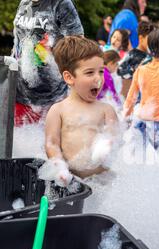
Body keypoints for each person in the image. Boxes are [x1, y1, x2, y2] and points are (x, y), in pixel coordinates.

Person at [45, 36, 119, 180]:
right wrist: (59, 167)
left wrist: (106, 144)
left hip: (102, 182)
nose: (98, 78)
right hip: (73, 181)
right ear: (69, 77)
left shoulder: (106, 110)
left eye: (101, 71)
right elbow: (51, 143)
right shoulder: (58, 110)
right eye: (90, 73)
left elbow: (115, 136)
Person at [12, 0, 84, 127]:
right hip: (19, 91)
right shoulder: (24, 2)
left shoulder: (61, 3)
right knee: (17, 143)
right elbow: (18, 40)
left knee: (45, 144)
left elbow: (77, 44)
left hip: (51, 95)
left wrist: (51, 48)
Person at [122, 29, 159, 149]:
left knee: (139, 158)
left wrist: (125, 116)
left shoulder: (140, 70)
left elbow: (131, 98)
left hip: (140, 122)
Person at [118, 21, 156, 97]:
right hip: (135, 97)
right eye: (150, 39)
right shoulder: (132, 55)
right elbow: (119, 71)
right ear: (141, 38)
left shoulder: (152, 56)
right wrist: (135, 70)